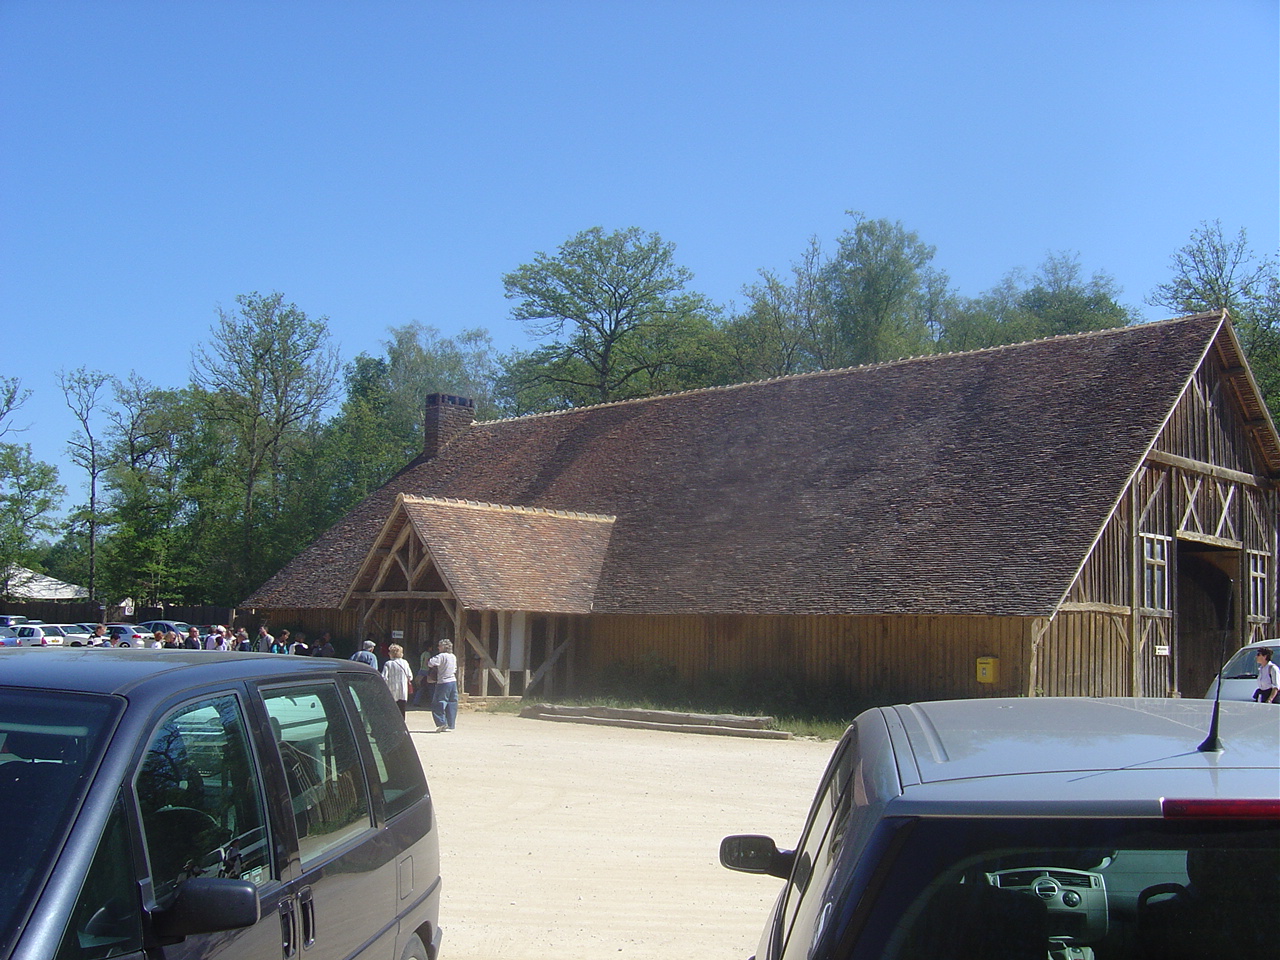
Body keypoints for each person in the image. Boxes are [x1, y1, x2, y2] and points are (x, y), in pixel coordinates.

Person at [429, 639, 458, 732]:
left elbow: (431, 663)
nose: (438, 647)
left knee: (439, 702)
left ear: (444, 647)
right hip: (453, 681)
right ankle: (451, 724)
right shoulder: (453, 656)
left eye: (440, 646)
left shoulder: (441, 656)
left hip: (443, 681)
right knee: (452, 702)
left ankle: (441, 722)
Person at [381, 643, 414, 717]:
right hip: (403, 691)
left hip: (391, 691)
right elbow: (410, 676)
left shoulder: (388, 664)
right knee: (402, 711)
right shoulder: (405, 662)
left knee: (391, 712)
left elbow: (384, 677)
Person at [413, 642, 438, 709]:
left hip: (421, 670)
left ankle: (416, 701)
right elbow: (427, 663)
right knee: (431, 687)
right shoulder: (427, 654)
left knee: (420, 687)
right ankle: (433, 702)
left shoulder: (422, 654)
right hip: (426, 671)